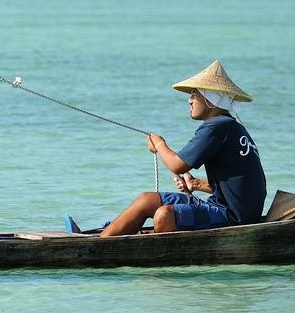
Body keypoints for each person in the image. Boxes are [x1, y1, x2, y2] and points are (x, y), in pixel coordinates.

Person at [96, 60, 267, 237]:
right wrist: (195, 184)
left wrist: (159, 144)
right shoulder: (232, 127)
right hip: (228, 209)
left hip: (232, 217)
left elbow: (177, 165)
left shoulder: (216, 128)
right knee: (146, 200)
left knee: (164, 216)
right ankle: (101, 240)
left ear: (211, 99)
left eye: (194, 94)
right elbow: (240, 187)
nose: (189, 100)